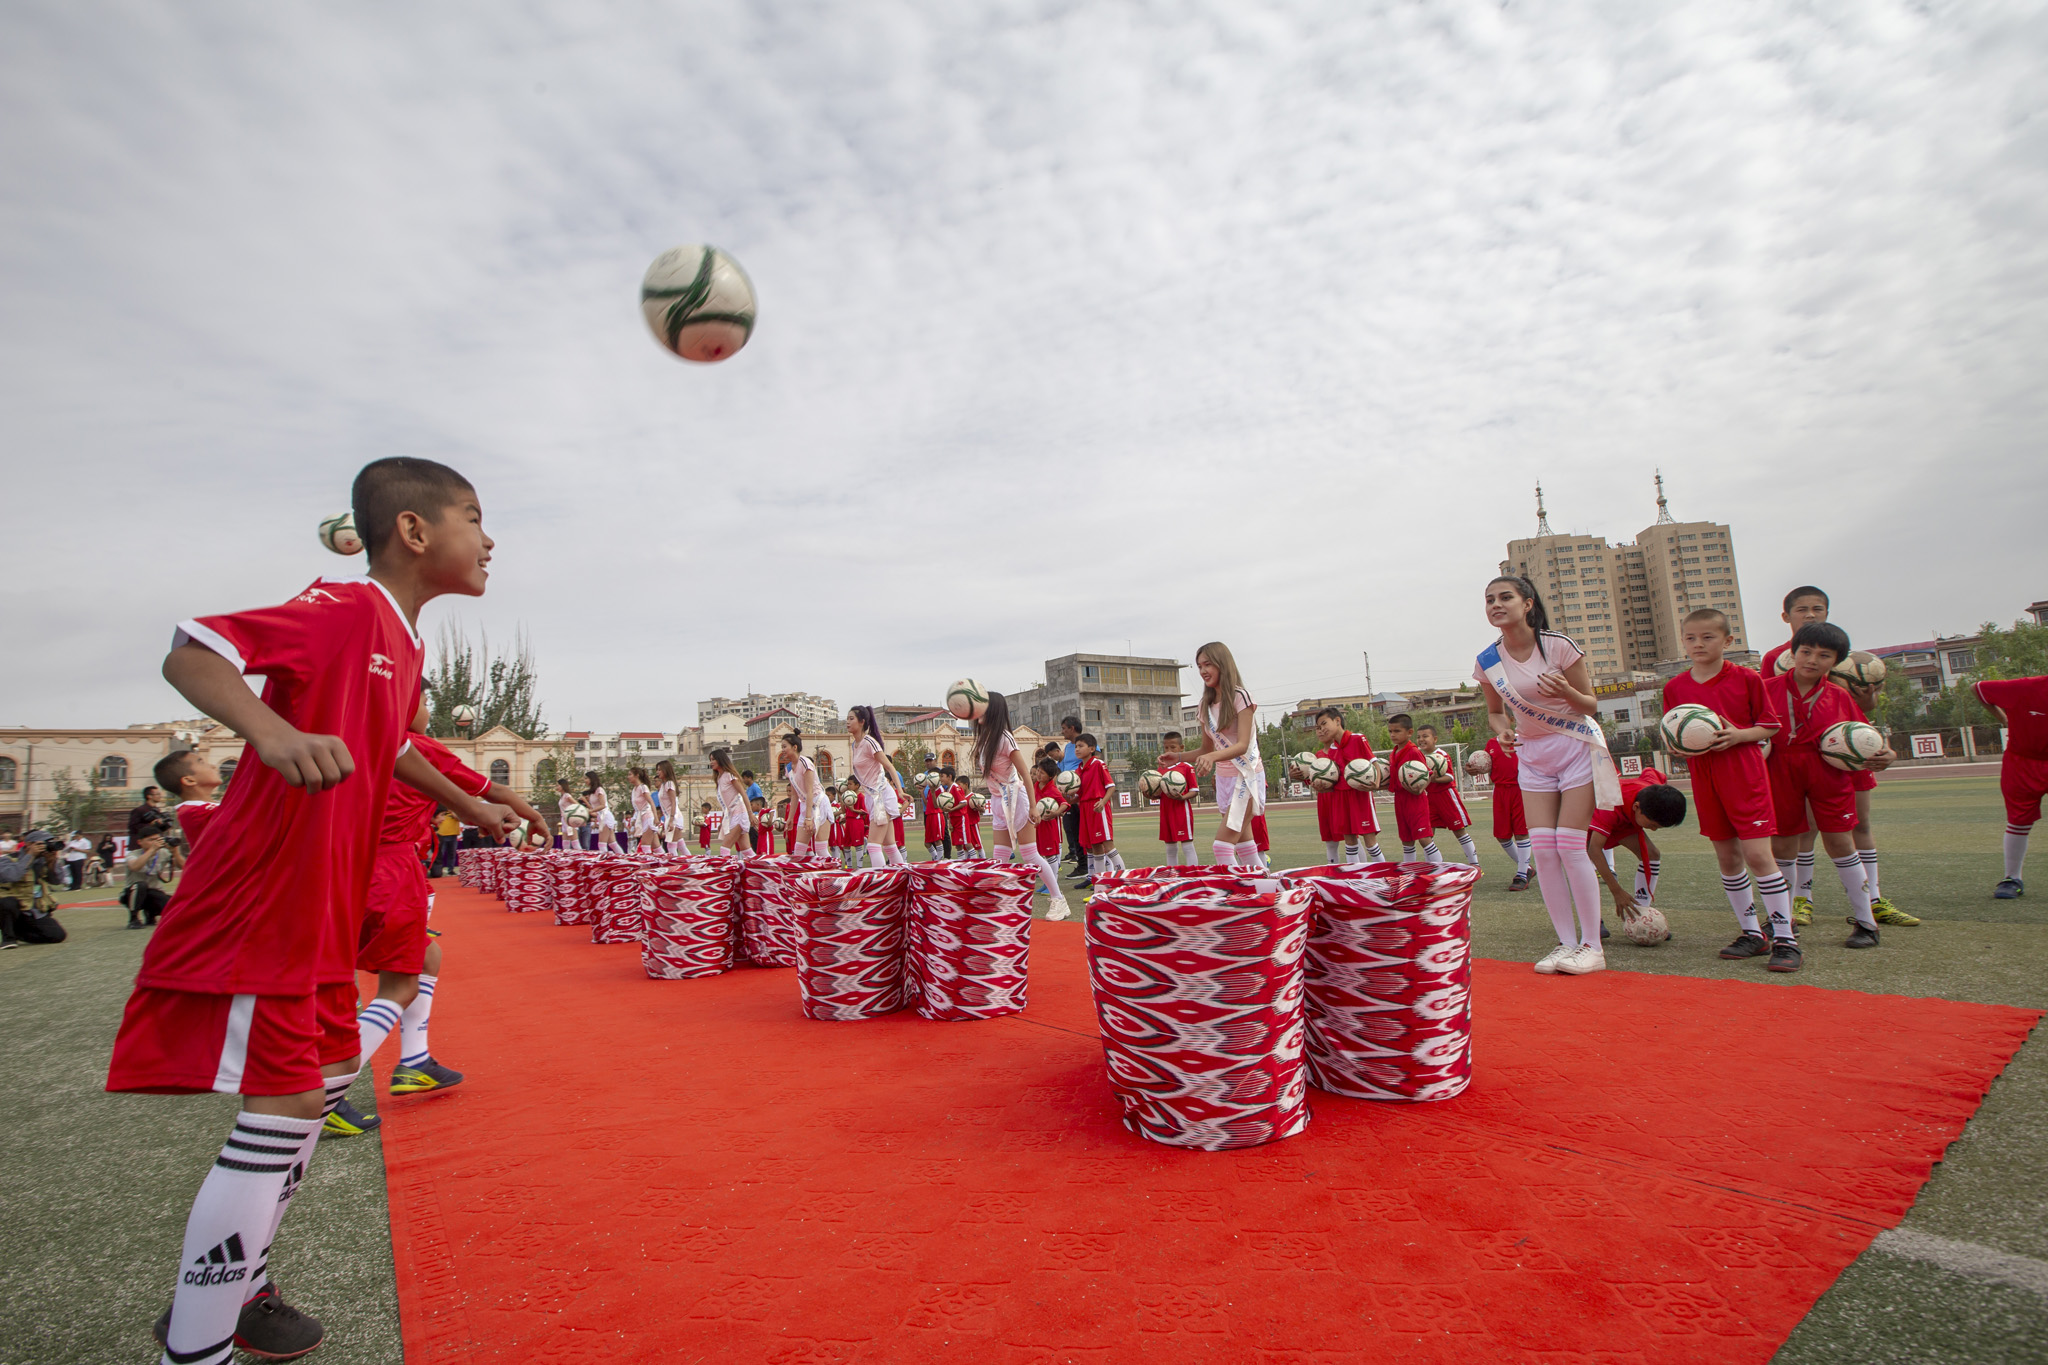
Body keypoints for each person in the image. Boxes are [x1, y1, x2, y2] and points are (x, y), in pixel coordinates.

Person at [115, 456, 517, 1365]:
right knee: (293, 1097)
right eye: (473, 516)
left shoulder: (405, 645)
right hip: (269, 894)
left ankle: (241, 1284)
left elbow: (391, 744)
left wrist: (467, 801)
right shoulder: (346, 609)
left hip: (322, 901)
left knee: (325, 1077)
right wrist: (272, 730)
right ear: (414, 531)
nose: (490, 539)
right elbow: (193, 646)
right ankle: (199, 1343)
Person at [332, 687, 550, 1137]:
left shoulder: (353, 736)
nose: (426, 710)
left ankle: (413, 1060)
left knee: (423, 958)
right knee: (401, 981)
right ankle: (326, 1088)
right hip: (389, 869)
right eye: (419, 699)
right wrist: (533, 817)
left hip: (343, 864)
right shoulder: (420, 749)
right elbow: (495, 790)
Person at [1475, 577, 1625, 976]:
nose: (1496, 605)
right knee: (1543, 850)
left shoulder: (1558, 645)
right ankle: (1566, 943)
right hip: (1532, 755)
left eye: (1505, 597)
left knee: (1571, 845)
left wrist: (1566, 691)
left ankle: (1592, 946)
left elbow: (1590, 704)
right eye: (1489, 600)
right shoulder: (1487, 660)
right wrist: (1501, 730)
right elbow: (1494, 710)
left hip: (1575, 747)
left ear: (1527, 604)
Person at [1763, 587, 1915, 927]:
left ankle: (1867, 918)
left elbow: (1863, 732)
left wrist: (1885, 751)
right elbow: (1753, 726)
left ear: (1836, 661)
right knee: (1785, 842)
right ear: (1793, 651)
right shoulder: (1767, 686)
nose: (1813, 660)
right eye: (1806, 653)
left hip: (1830, 768)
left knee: (1841, 839)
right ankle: (1783, 921)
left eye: (1824, 656)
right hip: (1781, 768)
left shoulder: (1838, 694)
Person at [1660, 607, 1797, 970]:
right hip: (1704, 777)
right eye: (1691, 637)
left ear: (1727, 641)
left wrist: (1738, 734)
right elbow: (1674, 736)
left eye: (1708, 637)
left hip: (1744, 774)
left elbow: (1769, 726)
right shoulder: (1674, 687)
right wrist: (1676, 747)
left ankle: (1786, 938)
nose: (1698, 644)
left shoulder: (1747, 679)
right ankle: (1752, 933)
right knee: (1728, 857)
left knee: (1758, 855)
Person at [971, 692, 1074, 918]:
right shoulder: (983, 739)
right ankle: (999, 903)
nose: (978, 711)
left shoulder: (1005, 738)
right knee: (999, 856)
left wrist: (1033, 806)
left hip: (1015, 798)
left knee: (1030, 854)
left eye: (983, 707)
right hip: (998, 801)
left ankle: (1058, 900)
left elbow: (1026, 774)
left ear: (993, 711)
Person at [1179, 642, 1267, 869]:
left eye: (1208, 664)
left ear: (1222, 664)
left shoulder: (1241, 697)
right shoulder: (1204, 705)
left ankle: (1237, 897)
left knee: (1222, 846)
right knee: (1245, 846)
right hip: (1224, 780)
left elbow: (1243, 745)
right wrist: (1177, 758)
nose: (1203, 671)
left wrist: (1212, 758)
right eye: (1199, 666)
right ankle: (1267, 891)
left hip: (1246, 777)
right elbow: (1206, 750)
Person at [1975, 671, 2048, 899]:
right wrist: (2004, 719)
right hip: (2023, 762)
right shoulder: (2025, 687)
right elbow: (1977, 689)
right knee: (2019, 820)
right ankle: (2012, 877)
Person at [1585, 769, 1686, 930]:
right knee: (1583, 863)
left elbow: (1651, 772)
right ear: (1637, 807)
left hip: (1626, 818)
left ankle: (1641, 913)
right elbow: (1594, 850)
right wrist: (1617, 891)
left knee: (1652, 854)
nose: (1652, 830)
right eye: (1652, 825)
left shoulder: (1652, 790)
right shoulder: (1611, 803)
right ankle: (1592, 920)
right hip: (1590, 818)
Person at [1290, 708, 1381, 866]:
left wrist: (1376, 782)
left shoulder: (1358, 739)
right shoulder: (1331, 750)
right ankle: (1355, 877)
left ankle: (1385, 875)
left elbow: (1374, 763)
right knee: (1350, 842)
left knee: (1370, 842)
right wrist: (1320, 786)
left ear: (1337, 721)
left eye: (1324, 724)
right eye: (1318, 727)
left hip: (1360, 797)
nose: (1321, 729)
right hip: (1340, 798)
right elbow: (1334, 778)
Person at [845, 705, 910, 869]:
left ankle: (881, 884)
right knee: (889, 846)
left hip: (880, 796)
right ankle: (904, 879)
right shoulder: (855, 745)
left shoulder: (869, 742)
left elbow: (890, 767)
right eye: (847, 718)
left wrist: (900, 791)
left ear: (862, 722)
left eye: (851, 718)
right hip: (872, 797)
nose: (847, 722)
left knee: (873, 846)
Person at [1417, 725, 1479, 865]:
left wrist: (1433, 779)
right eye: (1419, 737)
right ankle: (1432, 866)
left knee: (1459, 831)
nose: (1421, 739)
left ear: (1435, 739)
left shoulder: (1442, 755)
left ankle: (1475, 864)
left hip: (1446, 796)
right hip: (1429, 798)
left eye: (1425, 736)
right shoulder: (1419, 757)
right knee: (1427, 834)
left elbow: (1450, 777)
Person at [1384, 715, 1442, 864]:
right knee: (1407, 841)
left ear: (1409, 732)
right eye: (1390, 731)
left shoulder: (1414, 752)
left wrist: (1420, 788)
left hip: (1415, 800)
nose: (1392, 735)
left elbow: (1428, 775)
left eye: (1397, 731)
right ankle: (1409, 874)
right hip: (1400, 800)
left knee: (1424, 839)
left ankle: (1439, 872)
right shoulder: (1394, 752)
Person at [1072, 733, 1123, 882]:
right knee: (1095, 848)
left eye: (1081, 746)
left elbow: (1111, 787)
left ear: (1092, 748)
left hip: (1098, 807)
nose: (1077, 749)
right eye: (1076, 746)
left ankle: (1123, 880)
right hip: (1085, 809)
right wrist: (1069, 798)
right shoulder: (1078, 770)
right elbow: (1079, 796)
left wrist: (1103, 802)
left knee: (1107, 844)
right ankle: (1100, 886)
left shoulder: (1098, 764)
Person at [1484, 733, 1531, 889]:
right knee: (1502, 836)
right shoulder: (1491, 743)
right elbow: (1486, 766)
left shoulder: (1524, 739)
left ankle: (1522, 874)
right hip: (1500, 792)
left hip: (1520, 789)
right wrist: (1474, 769)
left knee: (1521, 832)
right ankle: (1526, 868)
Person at [155, 750, 223, 853]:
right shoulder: (195, 813)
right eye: (201, 762)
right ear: (189, 780)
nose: (213, 766)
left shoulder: (210, 807)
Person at [779, 734, 832, 858]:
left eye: (784, 746)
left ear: (795, 747)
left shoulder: (805, 763)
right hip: (805, 805)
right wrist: (790, 818)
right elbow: (794, 795)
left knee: (821, 850)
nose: (782, 750)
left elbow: (809, 792)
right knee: (798, 851)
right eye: (781, 747)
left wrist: (809, 818)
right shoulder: (789, 768)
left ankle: (833, 874)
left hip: (818, 804)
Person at [1157, 732, 1199, 865]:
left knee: (1186, 845)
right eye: (1166, 748)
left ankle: (1193, 875)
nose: (1169, 751)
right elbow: (1159, 792)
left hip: (1181, 810)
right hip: (1165, 811)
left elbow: (1194, 790)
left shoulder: (1186, 767)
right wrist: (1151, 793)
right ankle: (1172, 875)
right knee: (1170, 847)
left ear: (1181, 748)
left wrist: (1183, 797)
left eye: (1173, 747)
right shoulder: (1161, 768)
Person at [123, 831, 176, 928]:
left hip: (153, 892)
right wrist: (152, 850)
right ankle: (133, 918)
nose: (155, 842)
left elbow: (185, 866)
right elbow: (135, 867)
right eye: (151, 840)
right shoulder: (132, 854)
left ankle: (151, 914)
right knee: (141, 886)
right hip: (132, 893)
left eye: (157, 839)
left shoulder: (164, 853)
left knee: (172, 905)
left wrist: (175, 851)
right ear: (140, 842)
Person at [708, 748, 752, 855]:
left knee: (724, 848)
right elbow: (725, 804)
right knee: (746, 851)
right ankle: (764, 867)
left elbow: (743, 793)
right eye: (710, 760)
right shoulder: (719, 778)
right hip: (731, 815)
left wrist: (750, 814)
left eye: (713, 759)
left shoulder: (729, 775)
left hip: (739, 814)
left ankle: (726, 871)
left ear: (720, 760)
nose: (711, 762)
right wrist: (722, 821)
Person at [1058, 717, 1085, 875]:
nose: (1062, 731)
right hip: (1068, 797)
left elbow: (1096, 762)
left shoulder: (1087, 743)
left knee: (1085, 832)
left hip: (1081, 796)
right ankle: (1082, 865)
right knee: (1072, 828)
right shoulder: (1068, 748)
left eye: (1064, 728)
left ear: (1072, 728)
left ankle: (1095, 867)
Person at [627, 767, 660, 851]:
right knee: (656, 847)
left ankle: (649, 863)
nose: (628, 777)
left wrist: (656, 818)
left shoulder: (643, 787)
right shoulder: (635, 789)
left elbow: (651, 802)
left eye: (630, 774)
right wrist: (634, 819)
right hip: (642, 817)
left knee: (645, 845)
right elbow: (637, 808)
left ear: (637, 775)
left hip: (648, 817)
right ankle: (667, 861)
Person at [583, 771, 614, 853]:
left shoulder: (599, 790)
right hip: (601, 817)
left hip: (605, 817)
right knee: (612, 844)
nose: (585, 780)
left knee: (602, 844)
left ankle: (605, 862)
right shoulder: (592, 792)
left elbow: (603, 805)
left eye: (586, 778)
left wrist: (591, 810)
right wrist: (588, 812)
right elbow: (595, 810)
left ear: (591, 779)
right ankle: (623, 859)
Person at [655, 760, 681, 854]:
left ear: (666, 770)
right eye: (657, 770)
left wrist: (671, 820)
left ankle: (675, 866)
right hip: (668, 817)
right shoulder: (663, 785)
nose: (658, 772)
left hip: (673, 817)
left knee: (671, 847)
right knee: (681, 845)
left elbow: (673, 802)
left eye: (660, 770)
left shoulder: (669, 784)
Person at [743, 770, 766, 853]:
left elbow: (761, 800)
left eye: (745, 778)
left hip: (755, 815)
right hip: (750, 815)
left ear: (750, 778)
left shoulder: (755, 787)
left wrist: (761, 814)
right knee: (750, 836)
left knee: (754, 836)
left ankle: (757, 853)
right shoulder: (748, 788)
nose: (743, 780)